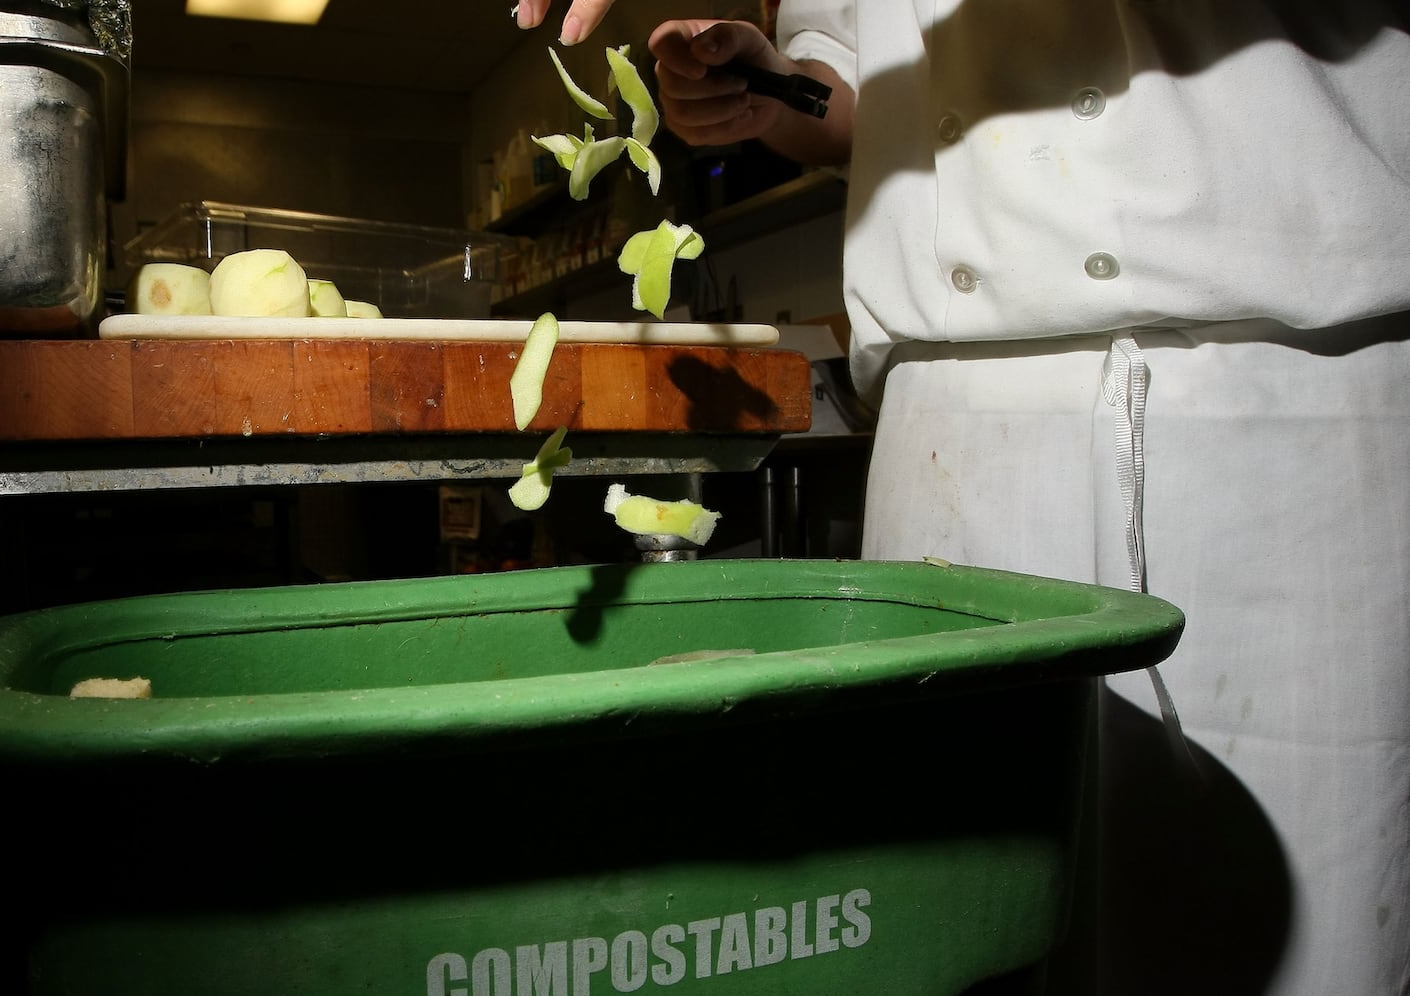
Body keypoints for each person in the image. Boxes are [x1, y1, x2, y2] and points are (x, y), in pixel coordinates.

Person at [518, 1, 1410, 993]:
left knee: (1266, 937)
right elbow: (852, 89)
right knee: (950, 930)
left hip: (1270, 391)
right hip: (950, 411)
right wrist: (766, 91)